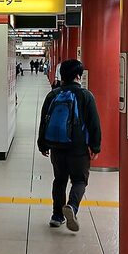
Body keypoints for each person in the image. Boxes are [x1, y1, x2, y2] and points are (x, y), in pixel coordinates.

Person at [37, 58, 101, 232]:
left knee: (59, 180)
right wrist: (95, 146)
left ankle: (57, 216)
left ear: (62, 75)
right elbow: (94, 123)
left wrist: (42, 144)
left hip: (57, 146)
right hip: (78, 147)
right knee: (79, 180)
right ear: (78, 76)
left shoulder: (53, 94)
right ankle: (72, 206)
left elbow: (44, 120)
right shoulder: (86, 95)